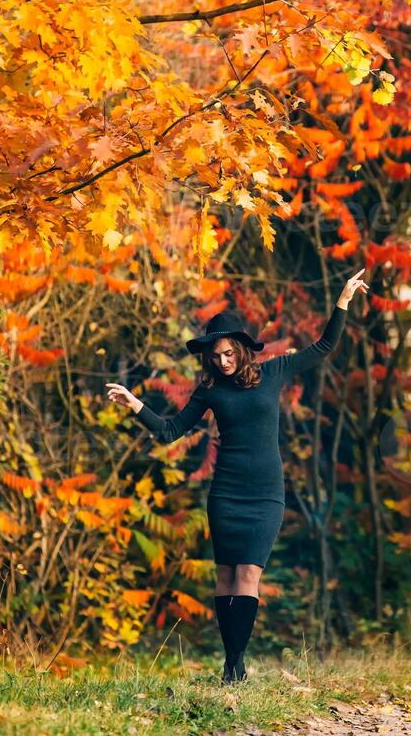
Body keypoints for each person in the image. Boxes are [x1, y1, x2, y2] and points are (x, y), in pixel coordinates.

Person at [104, 269, 368, 683]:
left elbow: (325, 346)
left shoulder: (275, 372)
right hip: (225, 494)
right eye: (216, 357)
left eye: (228, 354)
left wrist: (343, 301)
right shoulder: (210, 389)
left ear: (243, 350)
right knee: (225, 577)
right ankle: (233, 667)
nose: (223, 362)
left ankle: (236, 662)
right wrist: (136, 403)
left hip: (265, 494)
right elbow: (172, 430)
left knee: (248, 574)